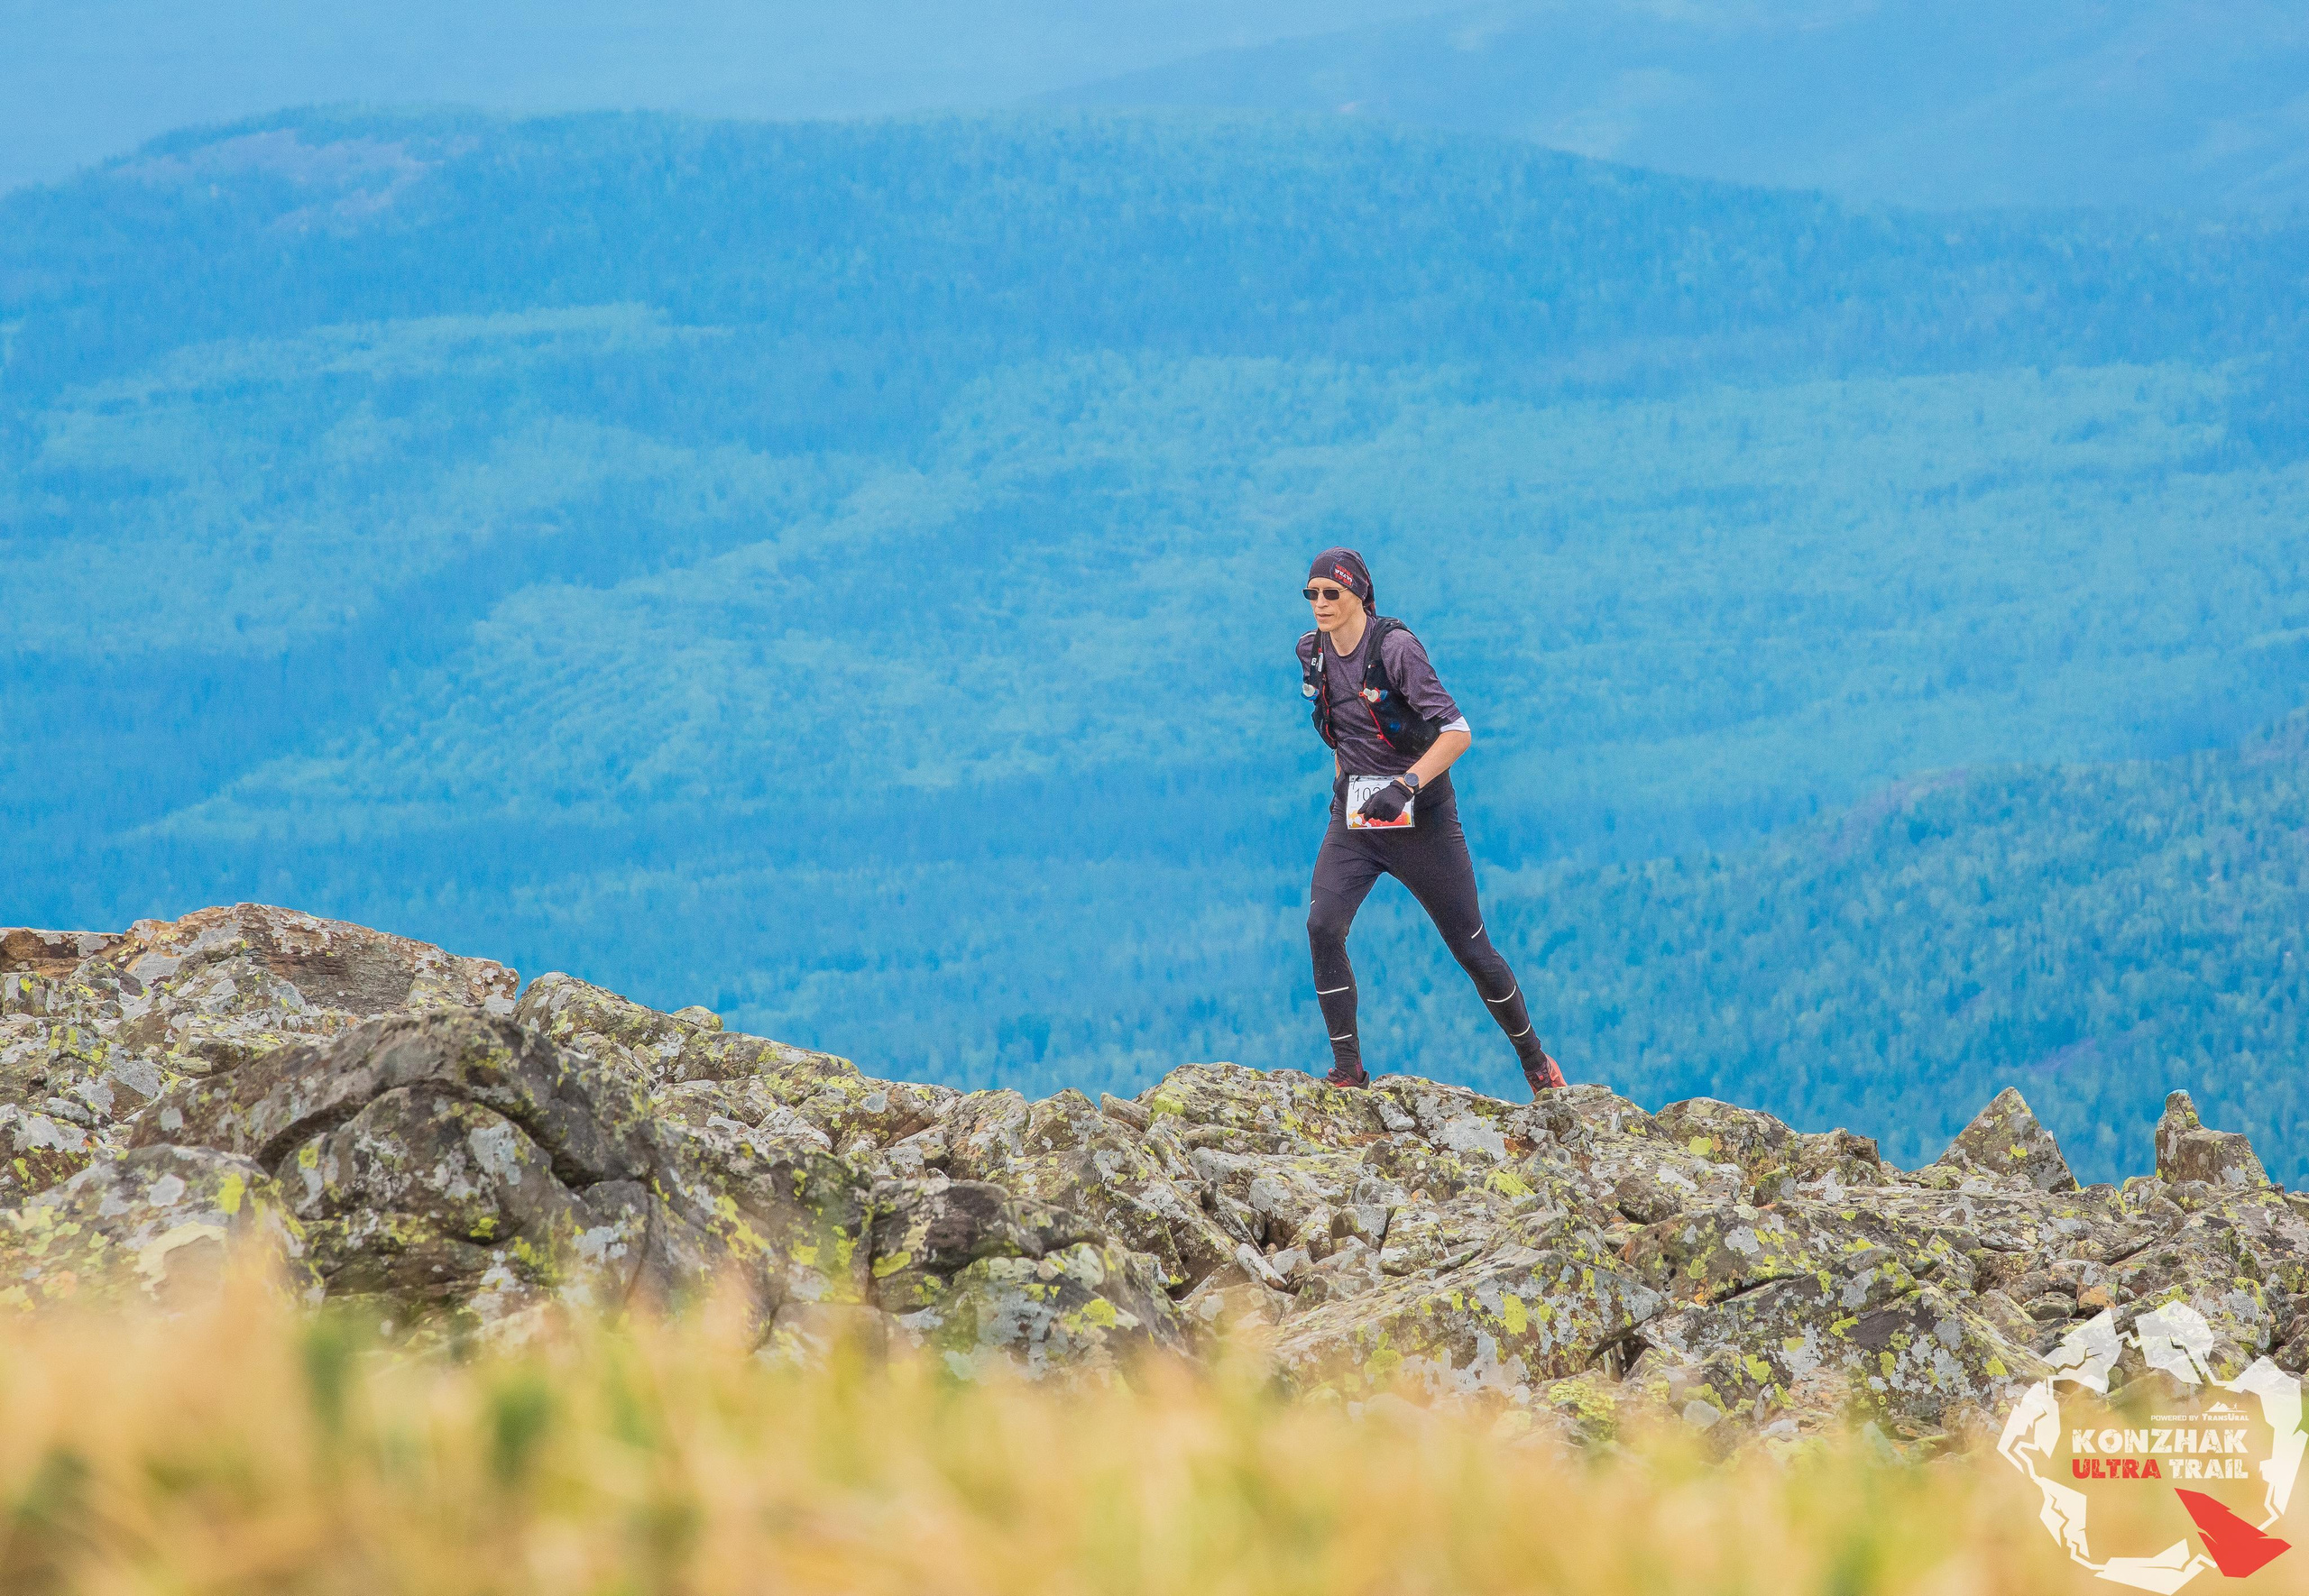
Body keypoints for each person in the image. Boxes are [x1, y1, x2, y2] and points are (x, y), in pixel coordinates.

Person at [1296, 547, 1566, 1096]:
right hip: (1357, 818)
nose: (1320, 604)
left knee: (1472, 949)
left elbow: (1457, 732)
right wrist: (1345, 792)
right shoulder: (1311, 652)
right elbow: (1341, 731)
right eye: (1312, 594)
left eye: (1331, 593)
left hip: (1422, 818)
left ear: (1359, 597)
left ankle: (1537, 1065)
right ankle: (1348, 1071)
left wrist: (1405, 785)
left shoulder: (1395, 650)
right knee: (1323, 927)